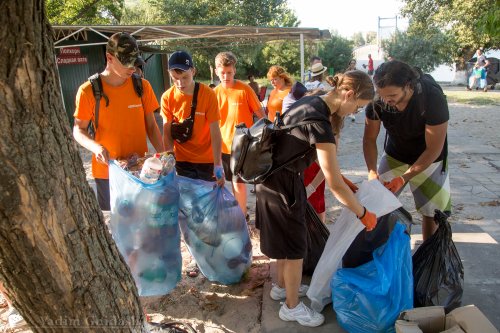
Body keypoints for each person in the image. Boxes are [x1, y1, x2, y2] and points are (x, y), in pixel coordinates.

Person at [256, 70, 377, 327]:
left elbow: (326, 167)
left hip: (271, 179)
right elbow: (332, 184)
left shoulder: (312, 102)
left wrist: (342, 179)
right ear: (349, 94)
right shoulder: (320, 122)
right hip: (285, 185)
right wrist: (364, 214)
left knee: (283, 241)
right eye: (358, 106)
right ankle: (291, 307)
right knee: (296, 248)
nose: (355, 112)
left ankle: (281, 288)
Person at [73, 32, 163, 210]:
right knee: (118, 226)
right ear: (109, 57)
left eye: (134, 63)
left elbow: (152, 126)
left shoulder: (142, 86)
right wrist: (96, 147)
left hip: (140, 171)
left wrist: (165, 157)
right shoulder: (88, 91)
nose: (132, 68)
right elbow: (78, 130)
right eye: (126, 63)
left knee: (142, 221)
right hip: (108, 173)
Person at [363, 60, 451, 241]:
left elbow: (434, 147)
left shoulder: (432, 98)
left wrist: (405, 177)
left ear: (408, 86)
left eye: (393, 95)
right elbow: (369, 139)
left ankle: (427, 259)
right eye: (382, 95)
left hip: (430, 159)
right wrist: (372, 171)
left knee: (432, 213)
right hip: (396, 155)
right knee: (377, 204)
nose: (387, 100)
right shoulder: (378, 100)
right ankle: (377, 255)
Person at [161, 50, 224, 277]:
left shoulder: (207, 94)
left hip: (207, 162)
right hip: (182, 163)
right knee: (187, 213)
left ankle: (212, 255)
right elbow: (166, 131)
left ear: (193, 71)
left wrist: (218, 164)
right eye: (174, 78)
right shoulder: (167, 97)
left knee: (207, 211)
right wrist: (168, 157)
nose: (179, 83)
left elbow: (216, 131)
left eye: (184, 77)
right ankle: (195, 258)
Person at [214, 51, 266, 220]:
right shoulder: (214, 93)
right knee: (222, 182)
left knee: (239, 183)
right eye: (222, 72)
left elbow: (261, 116)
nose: (226, 76)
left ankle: (242, 217)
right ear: (216, 72)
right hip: (221, 147)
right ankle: (231, 215)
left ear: (234, 70)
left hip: (242, 147)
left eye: (229, 72)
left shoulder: (245, 89)